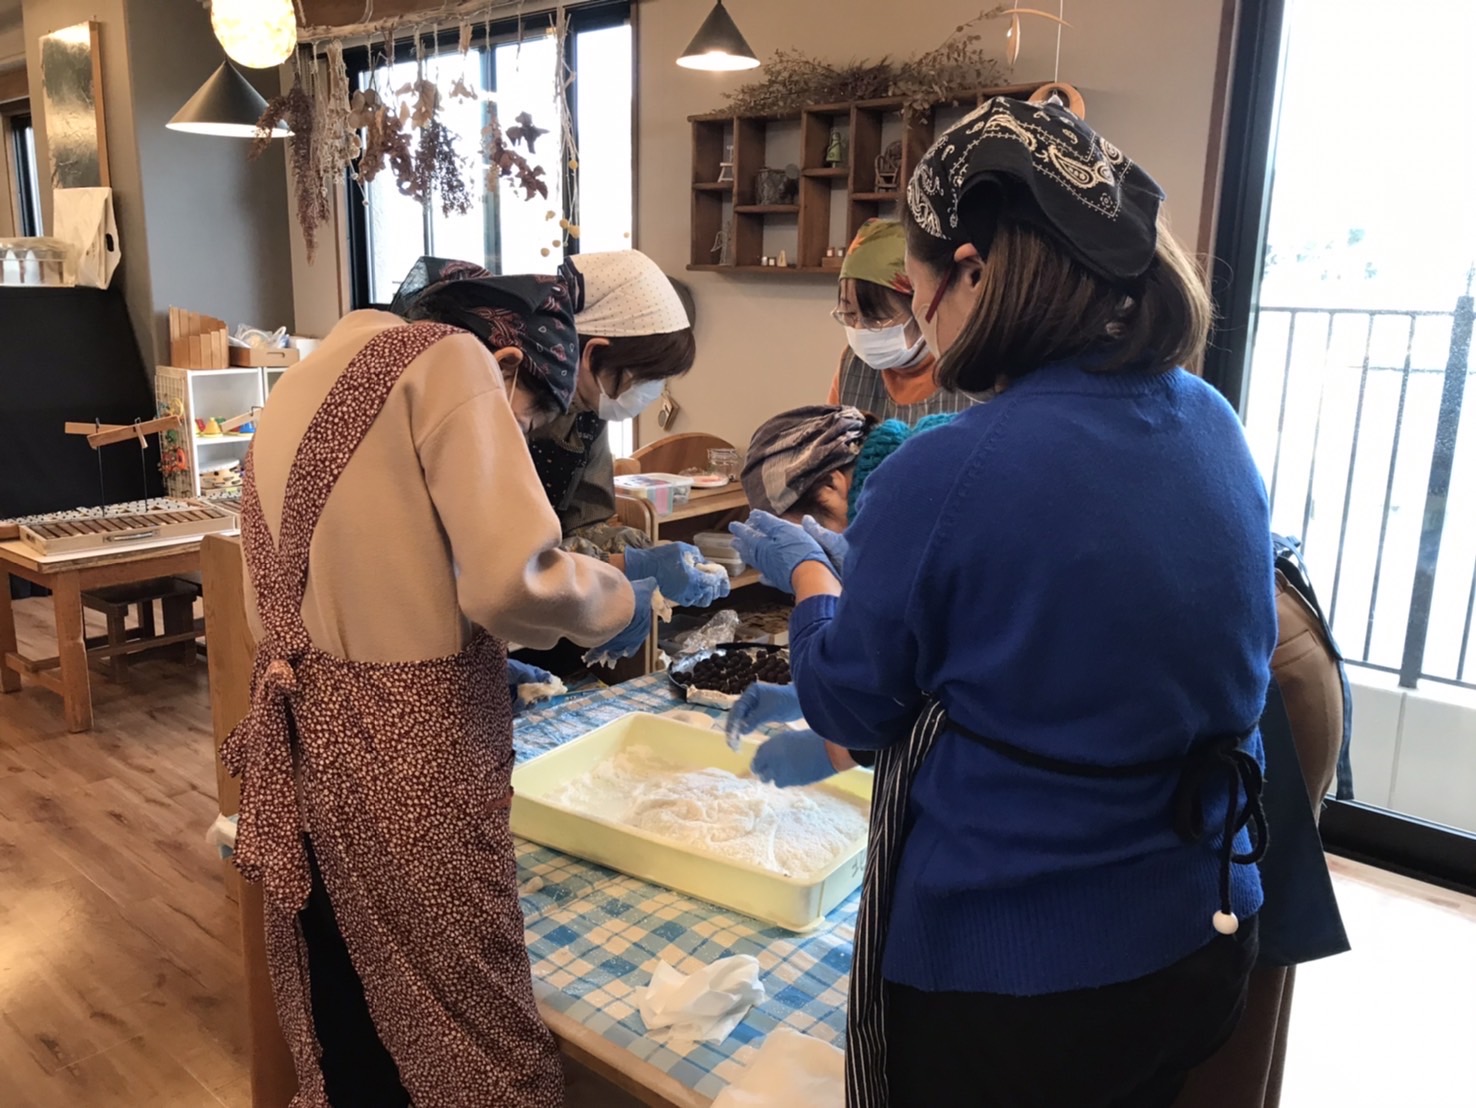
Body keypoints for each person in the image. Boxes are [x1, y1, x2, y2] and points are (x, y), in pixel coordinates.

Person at [729, 97, 1274, 1108]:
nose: (916, 316)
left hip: (1029, 973)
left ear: (972, 271)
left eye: (916, 287)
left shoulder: (952, 468)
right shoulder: (1210, 420)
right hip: (1202, 927)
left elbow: (850, 703)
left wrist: (808, 573)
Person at [225, 259, 656, 1107]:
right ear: (507, 364)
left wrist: (465, 648)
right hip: (411, 758)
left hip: (310, 741)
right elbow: (510, 581)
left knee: (352, 1001)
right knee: (472, 1029)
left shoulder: (307, 377)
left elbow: (366, 571)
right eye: (525, 423)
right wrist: (618, 600)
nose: (519, 444)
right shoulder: (452, 361)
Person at [528, 250, 698, 558]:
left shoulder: (589, 411)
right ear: (593, 354)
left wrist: (627, 547)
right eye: (644, 378)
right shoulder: (509, 402)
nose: (650, 392)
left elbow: (586, 520)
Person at [828, 218, 979, 422]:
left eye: (875, 319)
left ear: (919, 304)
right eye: (849, 314)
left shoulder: (971, 373)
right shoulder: (852, 366)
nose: (859, 329)